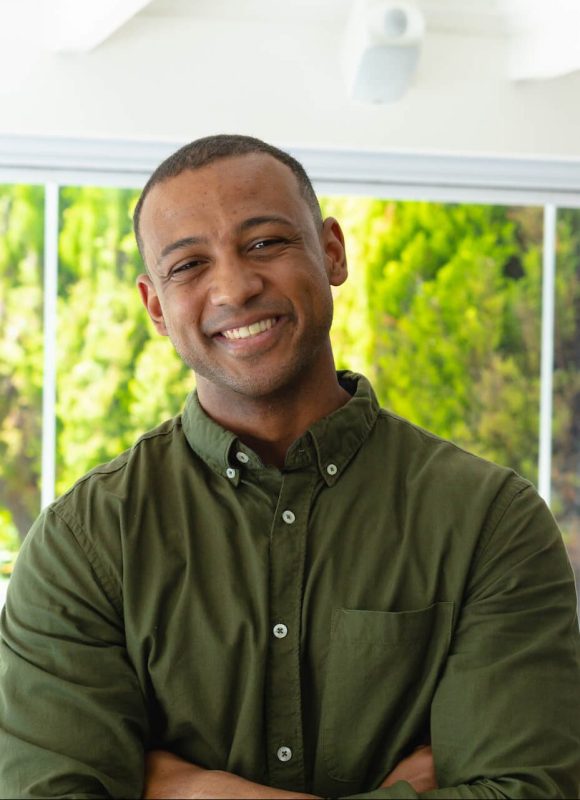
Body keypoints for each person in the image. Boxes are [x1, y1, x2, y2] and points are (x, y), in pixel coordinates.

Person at [0, 135, 579, 800]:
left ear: (331, 251)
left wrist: (191, 792)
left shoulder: (490, 523)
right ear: (156, 307)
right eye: (188, 265)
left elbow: (529, 791)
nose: (236, 287)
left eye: (264, 243)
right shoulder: (84, 544)